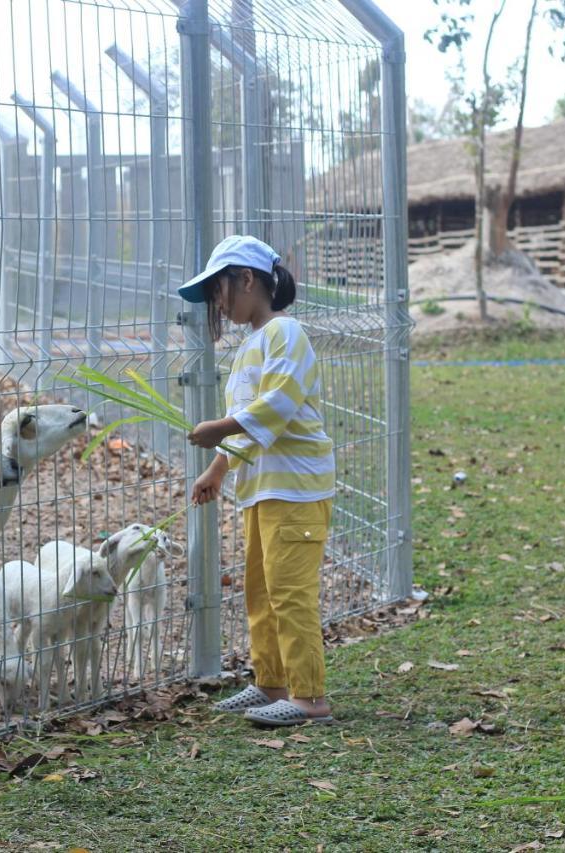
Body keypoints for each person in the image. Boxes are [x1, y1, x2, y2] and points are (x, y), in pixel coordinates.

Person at [181, 235, 336, 726]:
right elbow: (249, 423)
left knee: (290, 592)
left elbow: (276, 406)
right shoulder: (252, 346)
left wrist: (219, 430)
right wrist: (218, 467)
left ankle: (310, 697)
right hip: (263, 491)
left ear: (247, 280)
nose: (218, 303)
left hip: (295, 490)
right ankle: (271, 684)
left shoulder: (287, 333)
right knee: (261, 592)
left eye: (220, 290)